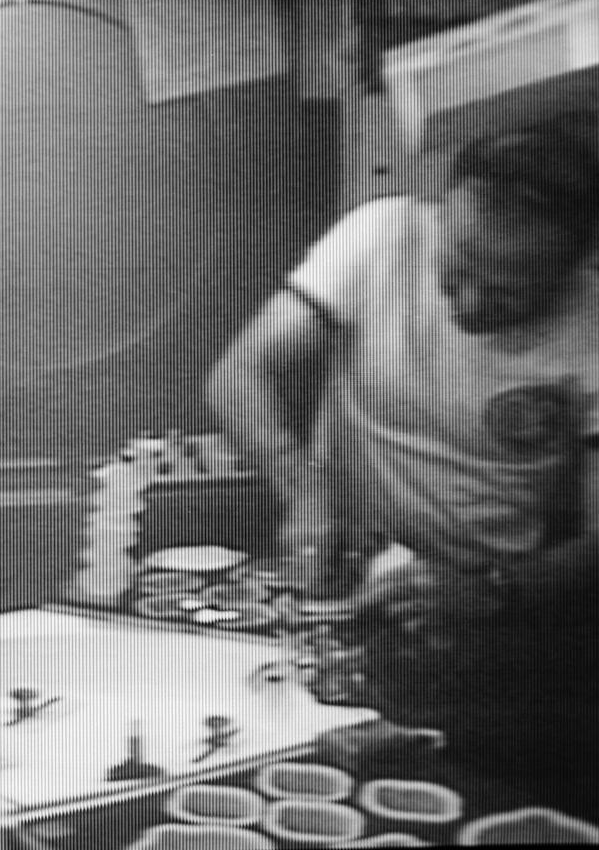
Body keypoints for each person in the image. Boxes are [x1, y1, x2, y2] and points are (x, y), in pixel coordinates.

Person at [206, 115, 599, 816]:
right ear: (440, 213)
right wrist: (305, 490)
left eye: (508, 294)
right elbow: (238, 375)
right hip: (350, 592)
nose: (468, 305)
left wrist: (491, 591)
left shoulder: (592, 325)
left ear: (574, 268)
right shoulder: (382, 235)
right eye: (457, 272)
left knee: (467, 807)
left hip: (498, 624)